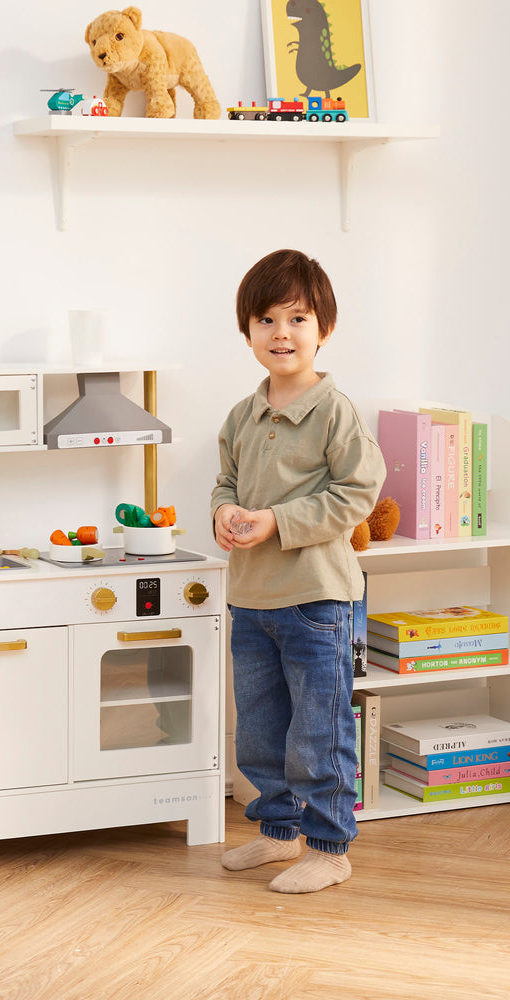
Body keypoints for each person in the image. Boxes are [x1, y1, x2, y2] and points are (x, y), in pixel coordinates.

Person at [211, 249, 386, 893]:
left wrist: (278, 521)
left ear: (324, 329)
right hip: (252, 598)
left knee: (319, 728)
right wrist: (226, 511)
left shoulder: (335, 411)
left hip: (316, 601)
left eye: (297, 318)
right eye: (266, 320)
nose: (281, 332)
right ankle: (278, 834)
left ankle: (330, 847)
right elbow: (224, 484)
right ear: (248, 331)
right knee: (259, 730)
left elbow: (358, 494)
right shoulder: (240, 415)